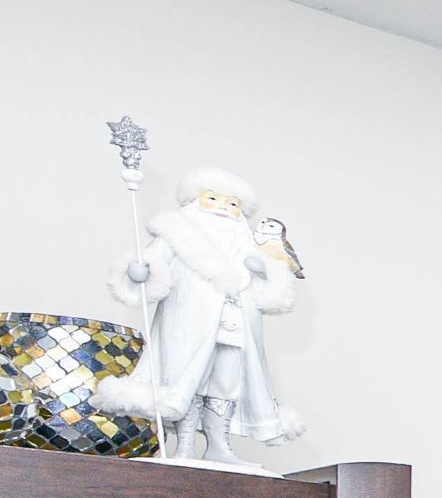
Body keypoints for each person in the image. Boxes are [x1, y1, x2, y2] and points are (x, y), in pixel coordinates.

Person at [97, 166, 305, 469]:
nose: (223, 208)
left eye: (232, 204)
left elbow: (274, 295)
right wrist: (139, 272)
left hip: (237, 329)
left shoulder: (248, 245)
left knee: (227, 384)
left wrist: (267, 273)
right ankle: (184, 447)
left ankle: (219, 445)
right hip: (188, 324)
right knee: (188, 381)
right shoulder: (176, 234)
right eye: (214, 199)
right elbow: (152, 267)